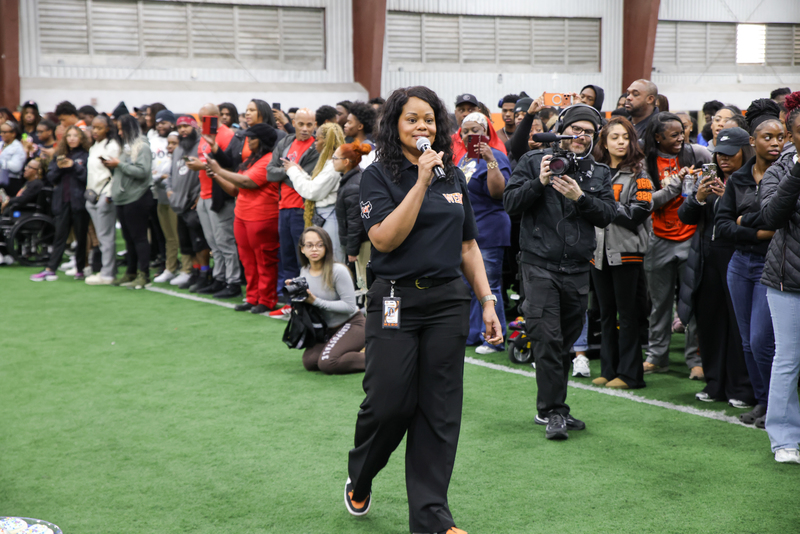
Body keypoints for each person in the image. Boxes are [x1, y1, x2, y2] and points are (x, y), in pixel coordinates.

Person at [345, 85, 502, 534]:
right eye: (412, 119)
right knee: (389, 403)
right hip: (395, 301)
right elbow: (383, 239)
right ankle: (361, 476)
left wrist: (488, 302)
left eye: (429, 119)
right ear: (394, 124)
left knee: (440, 410)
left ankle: (432, 519)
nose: (422, 127)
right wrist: (420, 182)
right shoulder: (378, 175)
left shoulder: (451, 175)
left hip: (447, 302)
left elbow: (468, 246)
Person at [504, 103, 617, 439]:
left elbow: (608, 215)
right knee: (548, 339)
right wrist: (539, 182)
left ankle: (552, 408)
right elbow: (510, 204)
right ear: (561, 130)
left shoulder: (598, 172)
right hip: (538, 265)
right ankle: (553, 410)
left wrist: (581, 197)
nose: (581, 136)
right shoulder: (533, 161)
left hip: (578, 268)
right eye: (575, 129)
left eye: (588, 132)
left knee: (564, 341)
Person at [717, 100, 785, 424]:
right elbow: (723, 226)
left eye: (780, 137)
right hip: (739, 264)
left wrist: (745, 222)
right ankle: (762, 402)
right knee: (747, 341)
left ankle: (777, 405)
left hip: (770, 266)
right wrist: (758, 232)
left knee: (761, 341)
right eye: (768, 137)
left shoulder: (787, 177)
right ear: (752, 141)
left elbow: (779, 223)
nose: (775, 143)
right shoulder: (739, 179)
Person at [677, 127, 755, 409]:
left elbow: (754, 219)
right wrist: (698, 197)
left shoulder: (752, 180)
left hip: (739, 257)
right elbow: (685, 217)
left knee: (738, 325)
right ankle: (714, 384)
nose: (723, 159)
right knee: (710, 322)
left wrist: (726, 199)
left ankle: (742, 387)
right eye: (719, 154)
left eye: (730, 154)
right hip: (707, 258)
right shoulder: (709, 179)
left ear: (744, 152)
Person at [641, 112, 711, 378]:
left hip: (692, 236)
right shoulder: (645, 161)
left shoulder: (698, 154)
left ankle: (695, 359)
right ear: (658, 137)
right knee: (659, 304)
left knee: (691, 302)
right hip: (658, 238)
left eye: (682, 132)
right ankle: (657, 357)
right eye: (673, 135)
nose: (680, 138)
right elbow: (648, 202)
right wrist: (675, 184)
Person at [590, 116, 653, 389]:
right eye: (614, 137)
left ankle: (630, 375)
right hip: (598, 251)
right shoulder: (595, 172)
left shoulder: (640, 174)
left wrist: (604, 205)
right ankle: (609, 369)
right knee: (605, 313)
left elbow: (639, 212)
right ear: (604, 142)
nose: (621, 142)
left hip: (627, 251)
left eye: (626, 137)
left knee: (627, 315)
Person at [758, 90, 800, 464]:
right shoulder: (779, 171)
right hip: (788, 280)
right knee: (788, 359)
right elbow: (771, 217)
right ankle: (784, 438)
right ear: (791, 136)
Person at [207, 123, 280, 313]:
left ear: (262, 141)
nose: (248, 141)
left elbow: (248, 182)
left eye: (252, 138)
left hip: (262, 217)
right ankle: (252, 297)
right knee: (248, 261)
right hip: (242, 216)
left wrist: (219, 170)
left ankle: (267, 299)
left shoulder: (269, 160)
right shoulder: (251, 160)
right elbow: (234, 189)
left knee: (264, 260)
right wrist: (216, 176)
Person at [457, 111, 512, 355]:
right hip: (469, 231)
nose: (470, 135)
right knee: (470, 285)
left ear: (486, 133)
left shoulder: (497, 155)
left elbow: (498, 193)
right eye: (465, 131)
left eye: (475, 130)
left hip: (490, 229)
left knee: (489, 286)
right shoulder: (464, 159)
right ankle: (474, 333)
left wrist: (490, 159)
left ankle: (494, 338)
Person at [266, 108, 320, 306]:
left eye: (309, 125)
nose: (305, 129)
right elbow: (269, 173)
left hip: (303, 209)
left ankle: (305, 301)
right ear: (294, 123)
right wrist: (293, 171)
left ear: (315, 125)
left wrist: (290, 171)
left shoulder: (316, 146)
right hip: (284, 207)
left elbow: (309, 177)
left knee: (302, 259)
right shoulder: (285, 142)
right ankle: (290, 301)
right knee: (287, 257)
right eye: (301, 124)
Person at [187, 103, 241, 299]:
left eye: (206, 119)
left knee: (225, 242)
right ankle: (219, 278)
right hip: (205, 194)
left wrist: (201, 166)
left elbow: (229, 165)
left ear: (215, 117)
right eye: (201, 119)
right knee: (214, 243)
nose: (203, 123)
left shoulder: (227, 135)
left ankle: (233, 281)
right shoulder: (205, 136)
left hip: (220, 195)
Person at [296, 226, 366, 374]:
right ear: (302, 249)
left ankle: (379, 357)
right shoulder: (304, 271)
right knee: (310, 362)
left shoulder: (338, 270)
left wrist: (315, 301)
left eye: (320, 245)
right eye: (309, 245)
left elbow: (349, 306)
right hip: (328, 330)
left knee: (328, 362)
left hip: (352, 323)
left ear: (327, 247)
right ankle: (352, 350)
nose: (314, 249)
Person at [30, 126, 90, 282]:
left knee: (81, 236)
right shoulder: (59, 154)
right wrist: (59, 166)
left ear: (81, 138)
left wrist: (74, 166)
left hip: (80, 201)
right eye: (69, 135)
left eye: (75, 135)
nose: (72, 138)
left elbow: (88, 178)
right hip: (62, 200)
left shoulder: (86, 155)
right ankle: (51, 268)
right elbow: (51, 177)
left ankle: (80, 268)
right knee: (60, 236)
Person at [283, 122, 345, 262]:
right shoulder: (328, 162)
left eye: (317, 139)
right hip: (324, 215)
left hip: (329, 216)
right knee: (323, 261)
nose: (314, 143)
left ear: (326, 141)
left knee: (332, 260)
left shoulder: (333, 166)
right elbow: (314, 184)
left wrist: (292, 171)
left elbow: (312, 191)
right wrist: (300, 172)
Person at [104, 115, 154, 289]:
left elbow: (142, 172)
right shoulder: (127, 148)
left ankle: (144, 274)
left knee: (139, 237)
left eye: (121, 129)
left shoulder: (142, 147)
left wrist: (119, 165)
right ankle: (131, 272)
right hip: (124, 198)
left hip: (137, 197)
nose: (119, 133)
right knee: (128, 238)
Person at [166, 116, 211, 291]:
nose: (183, 130)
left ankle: (205, 274)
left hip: (194, 203)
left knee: (199, 243)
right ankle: (195, 272)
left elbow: (208, 171)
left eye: (186, 126)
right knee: (187, 244)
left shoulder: (202, 146)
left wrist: (200, 194)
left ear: (195, 127)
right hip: (179, 204)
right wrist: (169, 190)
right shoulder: (179, 149)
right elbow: (171, 173)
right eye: (180, 127)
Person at [84, 114, 122, 285]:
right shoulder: (95, 146)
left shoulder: (112, 146)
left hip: (105, 194)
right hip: (93, 194)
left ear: (107, 128)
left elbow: (115, 173)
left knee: (106, 236)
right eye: (93, 127)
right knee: (101, 236)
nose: (95, 131)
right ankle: (108, 269)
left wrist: (109, 195)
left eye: (99, 128)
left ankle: (107, 273)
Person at [332, 140, 371, 288]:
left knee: (364, 282)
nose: (332, 161)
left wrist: (352, 251)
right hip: (361, 242)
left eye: (335, 158)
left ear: (346, 161)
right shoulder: (355, 178)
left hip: (362, 244)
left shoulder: (352, 186)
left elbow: (355, 222)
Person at [149, 109, 180, 283]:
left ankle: (186, 269)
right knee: (168, 237)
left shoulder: (181, 158)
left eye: (174, 143)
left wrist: (159, 176)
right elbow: (156, 176)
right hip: (161, 197)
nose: (170, 146)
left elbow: (168, 177)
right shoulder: (156, 145)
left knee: (178, 236)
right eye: (169, 143)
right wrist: (159, 177)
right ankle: (170, 267)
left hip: (176, 200)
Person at [342, 102, 377, 169]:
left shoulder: (369, 150)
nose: (345, 125)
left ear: (360, 126)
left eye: (349, 122)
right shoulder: (352, 147)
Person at [0, 120, 27, 197]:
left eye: (5, 132)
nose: (1, 134)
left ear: (13, 133)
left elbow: (16, 167)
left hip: (11, 182)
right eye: (1, 132)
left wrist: (2, 162)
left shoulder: (18, 147)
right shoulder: (1, 144)